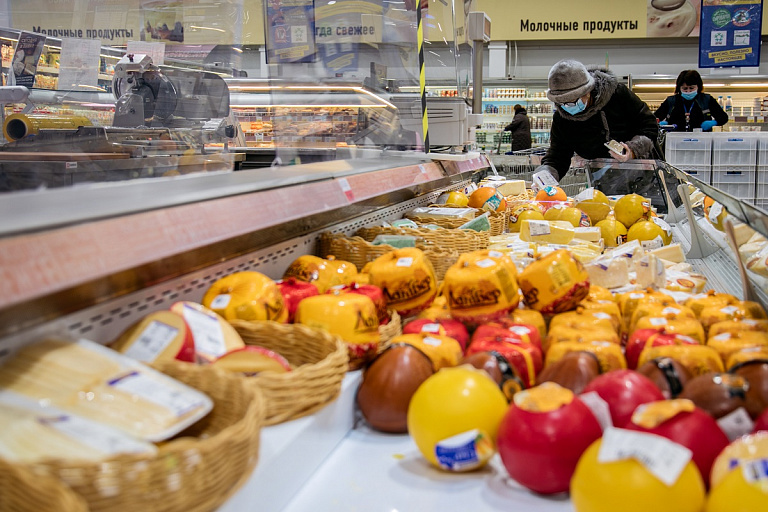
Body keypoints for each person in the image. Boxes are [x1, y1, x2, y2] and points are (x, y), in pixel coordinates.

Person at [536, 59, 659, 181]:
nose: (567, 107)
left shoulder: (617, 95)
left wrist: (633, 150)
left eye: (572, 101)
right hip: (603, 180)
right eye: (561, 103)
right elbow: (558, 155)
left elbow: (649, 125)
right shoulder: (562, 118)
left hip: (644, 174)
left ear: (587, 91)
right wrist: (545, 176)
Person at [654, 69, 728, 132]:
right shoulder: (671, 101)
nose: (688, 91)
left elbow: (723, 118)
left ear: (698, 87)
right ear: (679, 88)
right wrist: (661, 124)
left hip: (702, 139)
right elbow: (654, 118)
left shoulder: (707, 99)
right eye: (685, 88)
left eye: (691, 88)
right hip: (675, 139)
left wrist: (713, 122)